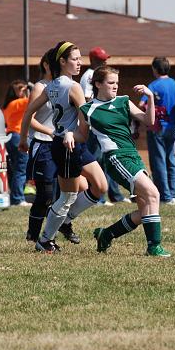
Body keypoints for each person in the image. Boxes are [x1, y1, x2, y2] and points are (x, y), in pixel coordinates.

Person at [18, 41, 108, 253]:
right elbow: (87, 117)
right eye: (75, 59)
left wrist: (23, 139)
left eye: (80, 59)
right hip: (67, 144)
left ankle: (64, 221)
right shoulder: (72, 86)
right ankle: (45, 239)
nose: (80, 63)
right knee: (66, 196)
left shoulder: (52, 86)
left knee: (100, 186)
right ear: (62, 61)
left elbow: (28, 112)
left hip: (72, 143)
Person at [79, 65, 171, 257]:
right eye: (111, 83)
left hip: (133, 155)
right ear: (97, 84)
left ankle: (107, 234)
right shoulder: (88, 109)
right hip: (115, 158)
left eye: (117, 83)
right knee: (153, 193)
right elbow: (81, 136)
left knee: (145, 208)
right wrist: (66, 136)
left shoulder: (123, 101)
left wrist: (151, 97)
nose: (115, 87)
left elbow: (148, 121)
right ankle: (154, 246)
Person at [23, 50, 80, 243]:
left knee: (85, 187)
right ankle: (35, 234)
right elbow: (29, 117)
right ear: (47, 65)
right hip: (44, 143)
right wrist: (49, 132)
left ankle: (63, 224)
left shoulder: (66, 85)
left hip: (65, 142)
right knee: (47, 194)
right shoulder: (41, 87)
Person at [80, 46, 127, 205]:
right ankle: (98, 196)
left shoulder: (99, 74)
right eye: (102, 59)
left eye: (106, 59)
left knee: (107, 158)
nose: (105, 61)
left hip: (103, 123)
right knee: (96, 160)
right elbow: (86, 99)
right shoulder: (90, 76)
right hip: (94, 124)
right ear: (93, 60)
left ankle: (114, 195)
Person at [141, 57, 175, 205]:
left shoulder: (153, 85)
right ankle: (173, 193)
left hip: (156, 127)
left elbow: (142, 103)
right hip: (171, 127)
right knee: (171, 160)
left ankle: (165, 196)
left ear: (155, 69)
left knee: (158, 161)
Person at [2, 79, 31, 207]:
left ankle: (15, 197)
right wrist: (30, 88)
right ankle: (18, 198)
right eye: (21, 88)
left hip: (10, 136)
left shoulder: (7, 105)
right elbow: (34, 101)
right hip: (18, 135)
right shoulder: (19, 103)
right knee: (21, 168)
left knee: (15, 169)